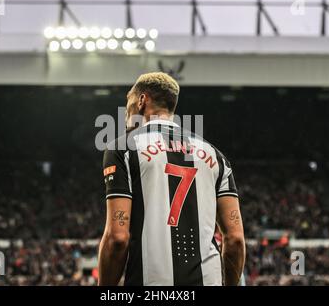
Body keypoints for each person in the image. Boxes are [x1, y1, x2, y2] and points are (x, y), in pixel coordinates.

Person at [98, 72, 245, 286]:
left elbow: (118, 238)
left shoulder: (123, 148)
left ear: (141, 101)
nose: (126, 114)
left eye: (128, 103)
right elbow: (235, 239)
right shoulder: (215, 155)